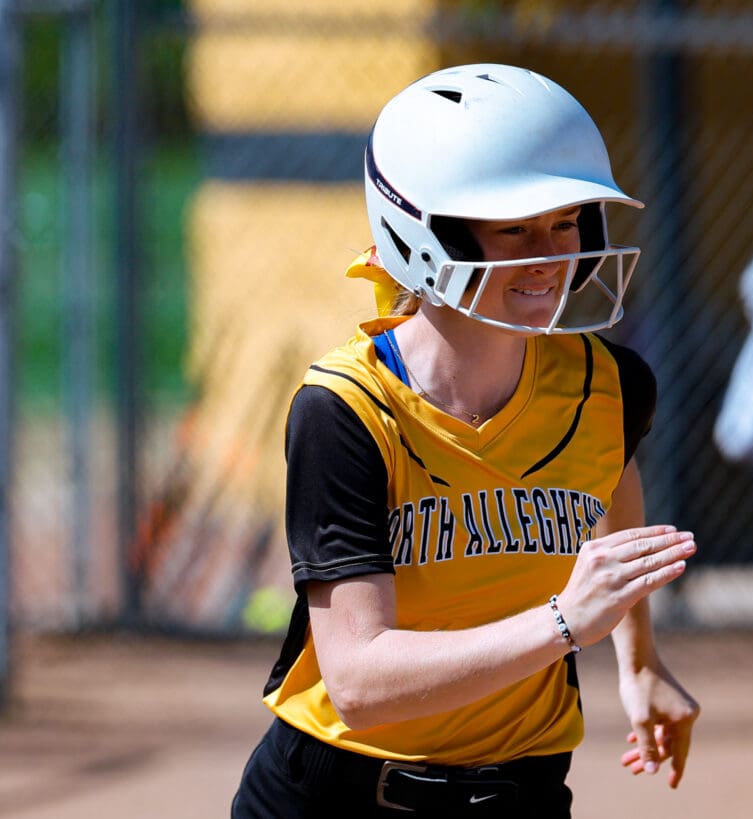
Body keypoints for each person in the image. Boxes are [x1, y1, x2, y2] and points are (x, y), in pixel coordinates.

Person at [232, 63, 699, 818]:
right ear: (424, 234)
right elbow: (358, 682)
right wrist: (562, 624)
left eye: (567, 220)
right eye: (513, 226)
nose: (550, 254)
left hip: (521, 791)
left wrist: (638, 661)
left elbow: (611, 483)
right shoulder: (348, 411)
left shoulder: (608, 387)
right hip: (342, 794)